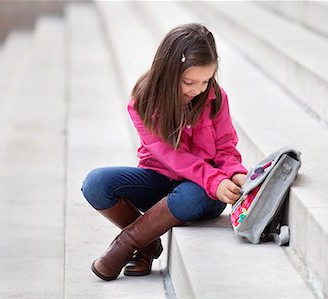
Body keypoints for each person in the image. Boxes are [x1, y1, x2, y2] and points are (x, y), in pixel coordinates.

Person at [81, 23, 248, 281]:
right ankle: (147, 243)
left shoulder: (216, 97)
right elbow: (172, 156)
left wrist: (235, 174)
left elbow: (226, 148)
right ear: (169, 72)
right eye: (189, 82)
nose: (199, 90)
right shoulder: (143, 101)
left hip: (204, 191)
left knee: (188, 196)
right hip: (160, 179)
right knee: (96, 184)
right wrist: (215, 178)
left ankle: (125, 244)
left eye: (206, 80)